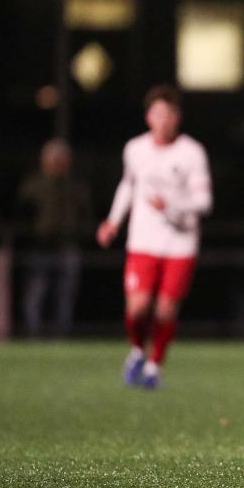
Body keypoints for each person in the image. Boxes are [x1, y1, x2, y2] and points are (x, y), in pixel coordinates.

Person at [97, 85, 212, 389]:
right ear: (149, 117)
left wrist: (172, 206)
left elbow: (204, 202)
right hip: (143, 241)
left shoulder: (191, 152)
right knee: (136, 309)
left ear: (178, 118)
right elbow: (127, 186)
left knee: (164, 311)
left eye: (169, 114)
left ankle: (154, 366)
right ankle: (137, 349)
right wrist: (112, 222)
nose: (164, 120)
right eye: (158, 114)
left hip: (180, 243)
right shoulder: (135, 149)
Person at [18, 138, 93, 337]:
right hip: (40, 245)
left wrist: (79, 234)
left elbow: (86, 215)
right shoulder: (33, 185)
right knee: (36, 293)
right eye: (53, 159)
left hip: (67, 245)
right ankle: (32, 334)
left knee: (64, 296)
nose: (57, 163)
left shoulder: (76, 187)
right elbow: (21, 213)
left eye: (61, 159)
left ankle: (62, 334)